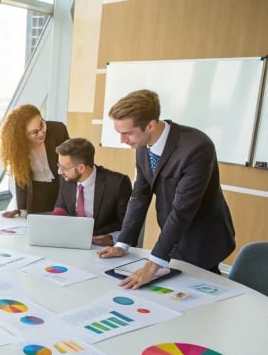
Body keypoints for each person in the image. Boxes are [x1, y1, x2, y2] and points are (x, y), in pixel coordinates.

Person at [98, 89, 235, 288]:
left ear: (151, 125)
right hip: (173, 235)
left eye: (127, 133)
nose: (123, 140)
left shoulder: (196, 147)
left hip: (202, 238)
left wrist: (153, 264)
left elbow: (182, 210)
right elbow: (140, 196)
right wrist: (122, 243)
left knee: (195, 295)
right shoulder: (143, 146)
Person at [51, 137, 132, 246]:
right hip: (73, 243)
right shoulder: (67, 178)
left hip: (104, 247)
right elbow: (61, 208)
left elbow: (128, 223)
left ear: (81, 168)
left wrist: (112, 238)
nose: (59, 172)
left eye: (64, 168)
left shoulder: (118, 183)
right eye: (59, 166)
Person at [0, 104, 70, 217]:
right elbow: (21, 179)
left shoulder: (58, 130)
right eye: (34, 132)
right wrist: (21, 210)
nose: (41, 133)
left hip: (62, 191)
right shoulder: (18, 146)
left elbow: (71, 163)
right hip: (37, 196)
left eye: (42, 125)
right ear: (22, 135)